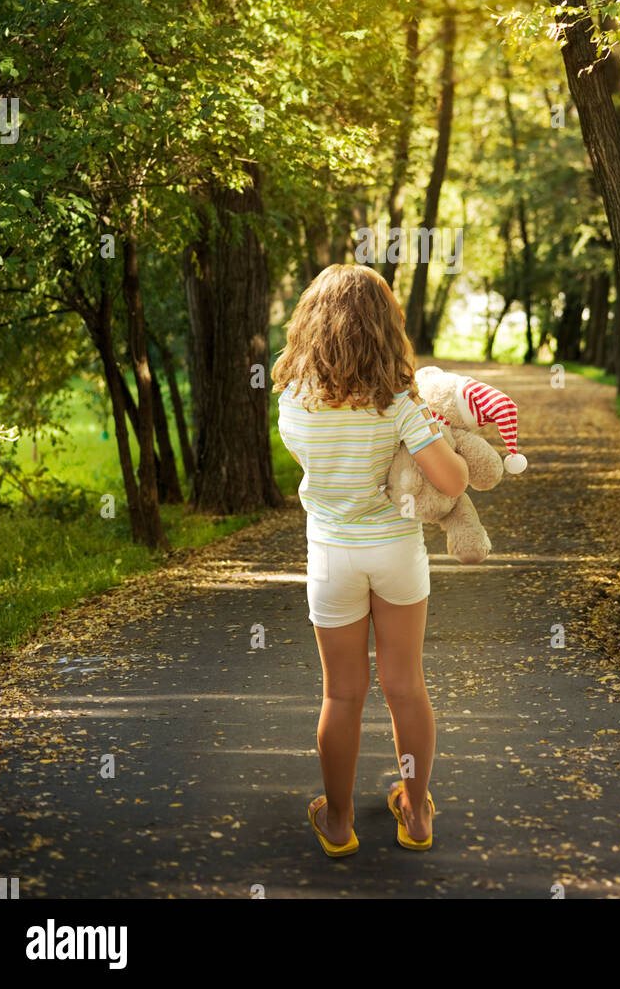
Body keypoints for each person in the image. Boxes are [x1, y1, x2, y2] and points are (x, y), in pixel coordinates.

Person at [273, 263, 469, 855]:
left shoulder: (293, 403)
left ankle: (337, 823)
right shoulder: (399, 403)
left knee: (342, 695)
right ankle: (415, 813)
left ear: (314, 325)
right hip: (395, 553)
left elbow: (316, 467)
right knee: (406, 686)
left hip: (332, 556)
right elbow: (454, 482)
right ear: (384, 327)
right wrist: (433, 430)